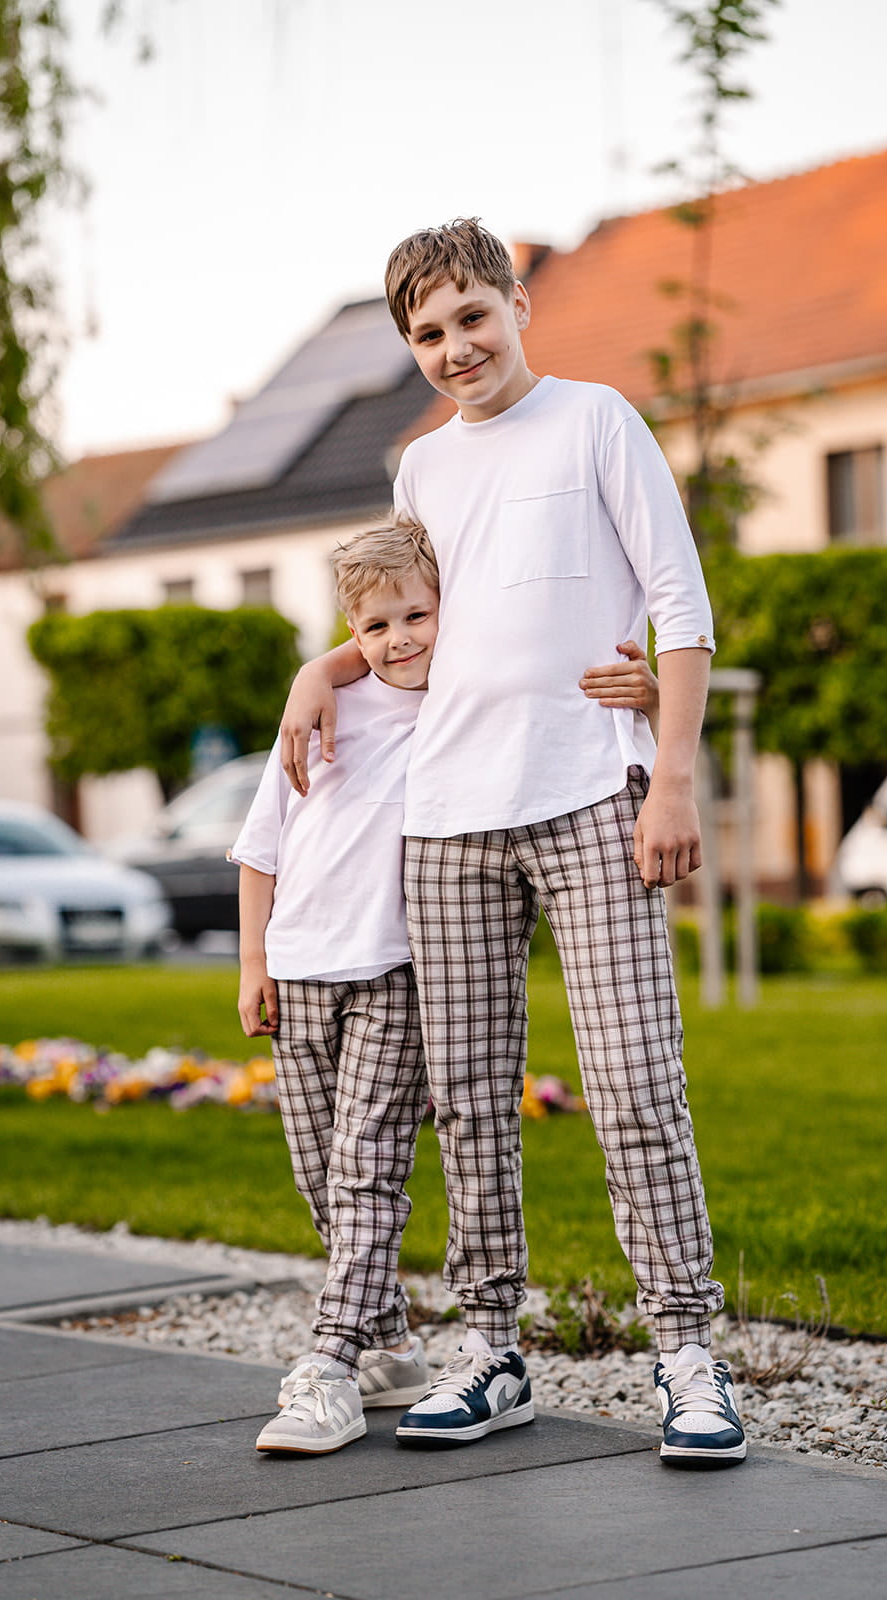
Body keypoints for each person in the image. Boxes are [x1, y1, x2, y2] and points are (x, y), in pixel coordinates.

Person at [278, 218, 745, 1468]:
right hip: (446, 818)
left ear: (518, 304)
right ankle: (490, 1347)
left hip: (590, 792)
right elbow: (410, 621)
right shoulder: (420, 469)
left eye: (471, 317)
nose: (454, 348)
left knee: (633, 1081)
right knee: (469, 1098)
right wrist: (320, 671)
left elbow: (680, 603)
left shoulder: (595, 420)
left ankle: (687, 1354)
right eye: (427, 333)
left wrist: (670, 777)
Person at [234, 512, 658, 1456]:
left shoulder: (456, 715)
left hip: (394, 974)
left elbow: (555, 707)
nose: (398, 640)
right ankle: (389, 1346)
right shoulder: (320, 712)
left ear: (447, 612)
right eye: (375, 627)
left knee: (366, 1170)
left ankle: (332, 1362)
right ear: (351, 632)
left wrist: (653, 697)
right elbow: (262, 848)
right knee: (318, 1174)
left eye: (416, 617)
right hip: (298, 971)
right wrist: (253, 962)